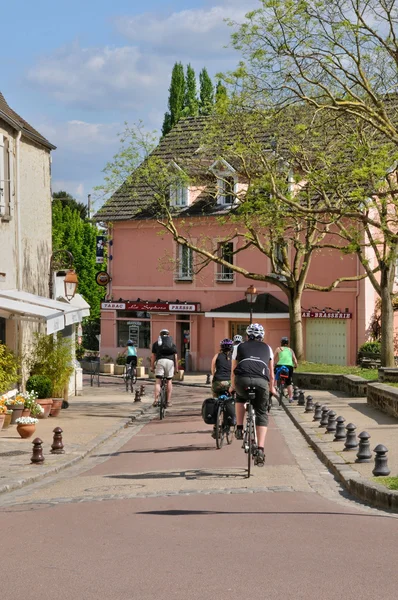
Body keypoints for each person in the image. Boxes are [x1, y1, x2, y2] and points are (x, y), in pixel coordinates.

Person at [230, 323, 276, 467]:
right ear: (262, 336)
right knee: (262, 413)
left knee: (240, 397)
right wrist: (272, 389)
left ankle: (239, 428)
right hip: (262, 382)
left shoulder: (238, 347)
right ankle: (261, 449)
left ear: (246, 335)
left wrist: (232, 386)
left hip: (242, 379)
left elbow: (233, 370)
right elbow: (272, 374)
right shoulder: (268, 348)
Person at [151, 329, 178, 407]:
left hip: (160, 361)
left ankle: (156, 400)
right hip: (170, 362)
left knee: (158, 381)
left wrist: (152, 367)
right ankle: (168, 401)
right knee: (169, 381)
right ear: (168, 335)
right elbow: (175, 357)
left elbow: (153, 356)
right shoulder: (172, 344)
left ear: (160, 335)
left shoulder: (156, 344)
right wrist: (176, 368)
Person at [274, 337, 298, 403]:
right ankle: (290, 398)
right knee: (289, 382)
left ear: (281, 343)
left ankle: (275, 386)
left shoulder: (278, 349)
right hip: (289, 366)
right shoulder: (290, 350)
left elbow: (273, 358)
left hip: (280, 365)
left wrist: (273, 364)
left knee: (275, 374)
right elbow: (295, 360)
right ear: (287, 344)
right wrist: (296, 366)